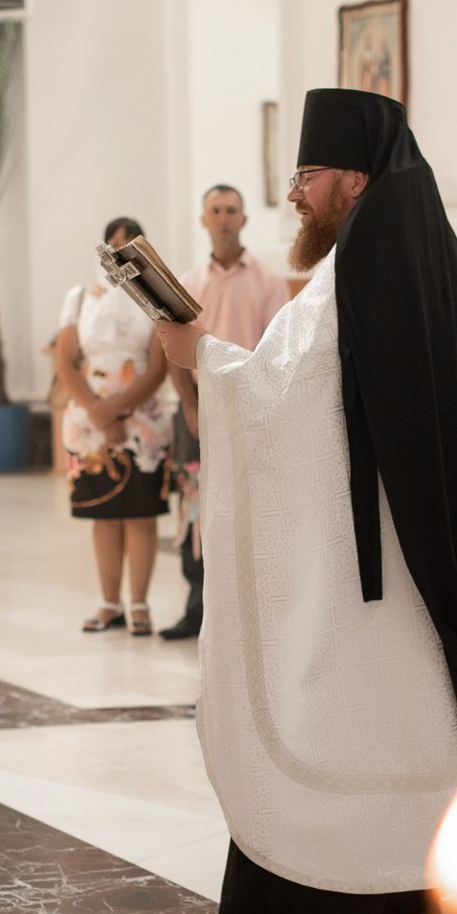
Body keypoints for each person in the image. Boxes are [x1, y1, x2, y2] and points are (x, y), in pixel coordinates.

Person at [157, 90, 457, 914]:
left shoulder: (354, 274)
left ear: (354, 178)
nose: (294, 193)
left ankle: (296, 899)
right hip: (419, 558)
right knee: (410, 716)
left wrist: (199, 354)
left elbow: (287, 400)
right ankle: (406, 893)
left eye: (307, 175)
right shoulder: (428, 257)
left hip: (364, 564)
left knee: (329, 705)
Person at [160, 185, 292, 642]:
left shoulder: (269, 282)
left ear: (245, 218)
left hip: (249, 411)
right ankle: (196, 607)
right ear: (203, 220)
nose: (223, 218)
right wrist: (192, 405)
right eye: (215, 211)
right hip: (197, 410)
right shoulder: (188, 284)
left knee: (248, 506)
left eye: (231, 210)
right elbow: (172, 352)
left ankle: (248, 609)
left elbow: (278, 352)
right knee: (194, 508)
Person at [56, 216, 176, 636]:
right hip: (90, 423)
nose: (120, 254)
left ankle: (139, 605)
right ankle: (110, 604)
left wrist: (119, 410)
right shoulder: (78, 298)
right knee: (104, 516)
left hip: (142, 420)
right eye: (113, 246)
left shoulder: (156, 295)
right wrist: (97, 410)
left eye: (131, 246)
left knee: (141, 515)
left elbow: (158, 367)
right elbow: (66, 360)